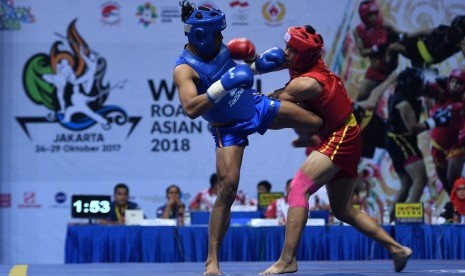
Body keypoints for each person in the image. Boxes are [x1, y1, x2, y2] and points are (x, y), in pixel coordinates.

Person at [173, 2, 322, 274]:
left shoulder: (218, 47)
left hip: (253, 106)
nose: (221, 39)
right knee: (227, 189)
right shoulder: (184, 70)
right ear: (200, 35)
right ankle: (212, 262)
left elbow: (242, 72)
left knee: (315, 123)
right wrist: (222, 86)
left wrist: (260, 65)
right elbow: (191, 108)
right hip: (227, 128)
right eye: (217, 34)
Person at [259, 25, 413, 275]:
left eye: (292, 50)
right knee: (343, 210)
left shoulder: (306, 84)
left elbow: (268, 103)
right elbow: (274, 63)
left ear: (304, 56)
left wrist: (235, 91)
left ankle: (287, 260)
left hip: (341, 135)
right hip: (345, 132)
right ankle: (397, 249)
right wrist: (252, 64)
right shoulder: (305, 63)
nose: (285, 53)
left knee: (299, 188)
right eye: (287, 46)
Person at [384, 67, 451, 219]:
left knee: (406, 183)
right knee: (420, 179)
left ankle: (391, 222)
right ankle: (408, 221)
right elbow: (413, 128)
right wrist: (435, 121)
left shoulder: (400, 95)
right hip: (401, 142)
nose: (422, 87)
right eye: (419, 85)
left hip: (396, 141)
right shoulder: (404, 104)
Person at [353, 0, 403, 101]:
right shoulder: (358, 31)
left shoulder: (384, 25)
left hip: (391, 69)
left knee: (396, 45)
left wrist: (398, 37)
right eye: (370, 15)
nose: (374, 18)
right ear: (363, 16)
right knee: (361, 98)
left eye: (375, 14)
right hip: (376, 71)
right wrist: (376, 48)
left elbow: (403, 35)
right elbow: (362, 52)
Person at [428, 68, 465, 195]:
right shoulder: (440, 94)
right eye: (453, 82)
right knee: (445, 182)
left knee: (453, 181)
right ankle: (457, 211)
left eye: (459, 83)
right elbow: (424, 84)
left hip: (455, 147)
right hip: (437, 146)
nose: (454, 86)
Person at [390, 15, 465, 68]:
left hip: (423, 55)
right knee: (395, 43)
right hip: (418, 45)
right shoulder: (444, 29)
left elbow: (426, 32)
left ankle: (390, 70)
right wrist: (406, 36)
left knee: (394, 47)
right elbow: (426, 31)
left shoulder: (460, 43)